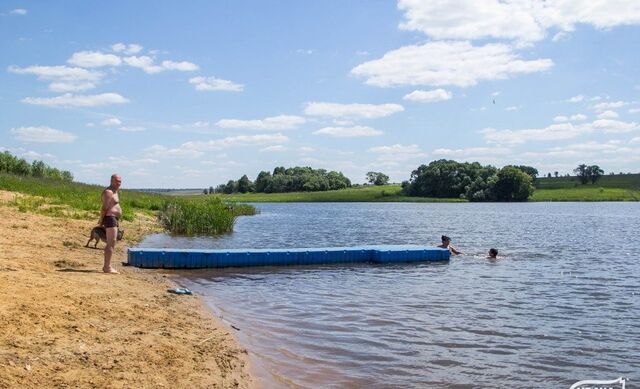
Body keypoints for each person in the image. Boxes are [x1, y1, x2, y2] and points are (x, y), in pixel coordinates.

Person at [98, 173, 122, 274]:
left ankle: (107, 266)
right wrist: (101, 220)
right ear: (111, 181)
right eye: (117, 181)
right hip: (110, 218)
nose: (119, 183)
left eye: (120, 181)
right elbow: (104, 208)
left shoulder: (115, 191)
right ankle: (107, 267)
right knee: (111, 243)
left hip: (113, 219)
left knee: (112, 242)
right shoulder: (109, 192)